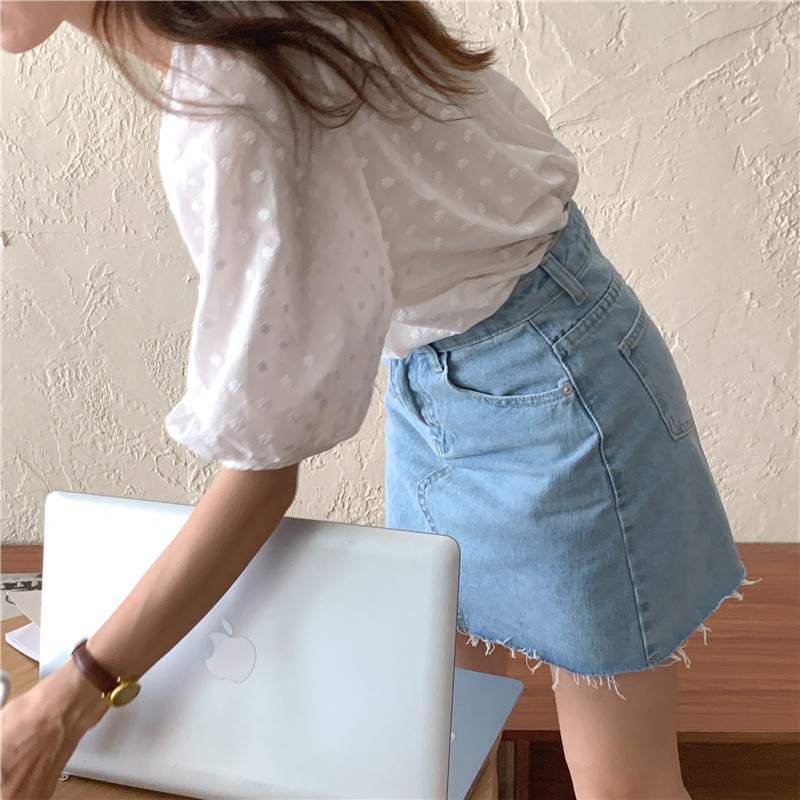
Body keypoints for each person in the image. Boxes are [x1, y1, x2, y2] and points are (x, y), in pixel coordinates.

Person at [0, 3, 755, 799]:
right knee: (440, 752)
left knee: (621, 785)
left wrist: (72, 698)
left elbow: (262, 478)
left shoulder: (232, 99)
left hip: (553, 387)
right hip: (446, 378)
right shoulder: (244, 39)